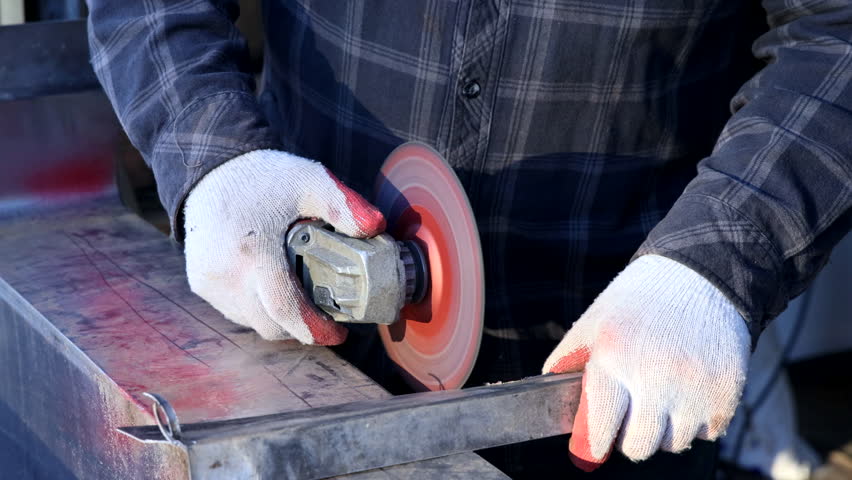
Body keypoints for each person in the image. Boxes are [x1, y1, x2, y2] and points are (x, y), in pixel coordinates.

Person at [86, 1, 852, 478]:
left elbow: (836, 32)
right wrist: (214, 154)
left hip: (623, 369)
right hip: (299, 334)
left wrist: (716, 264)